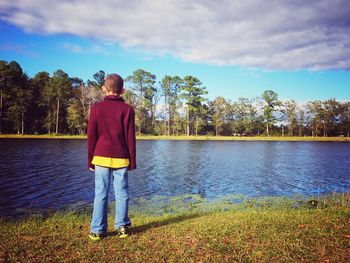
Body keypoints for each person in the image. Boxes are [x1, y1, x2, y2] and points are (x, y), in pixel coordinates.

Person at [87, 73, 136, 241]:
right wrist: (132, 161)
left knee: (100, 193)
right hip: (121, 158)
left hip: (100, 157)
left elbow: (91, 136)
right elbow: (130, 138)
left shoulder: (96, 108)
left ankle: (97, 230)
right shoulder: (128, 109)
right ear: (122, 90)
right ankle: (122, 227)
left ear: (103, 89)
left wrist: (90, 160)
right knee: (121, 193)